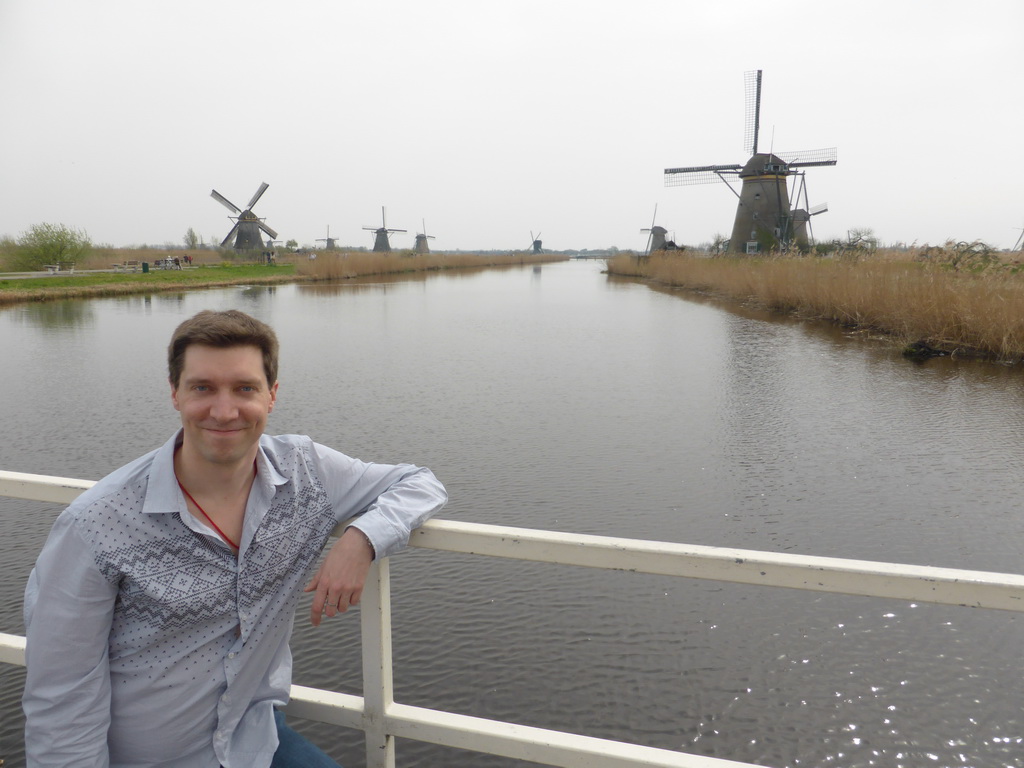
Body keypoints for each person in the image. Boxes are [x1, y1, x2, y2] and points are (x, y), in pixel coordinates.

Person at [22, 309, 447, 767]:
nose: (224, 411)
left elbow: (420, 483)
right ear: (175, 394)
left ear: (272, 395)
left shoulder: (306, 472)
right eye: (202, 388)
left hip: (254, 740)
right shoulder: (97, 524)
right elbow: (61, 701)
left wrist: (363, 537)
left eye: (245, 389)